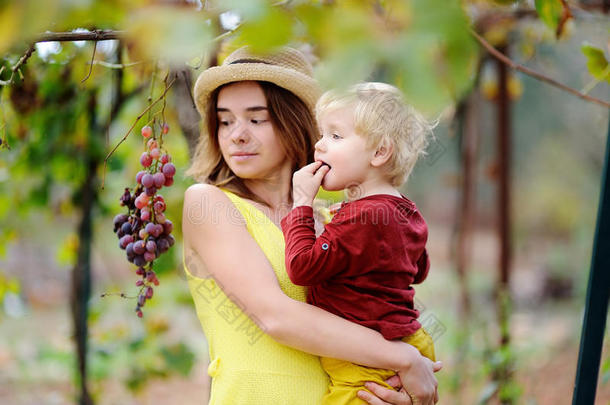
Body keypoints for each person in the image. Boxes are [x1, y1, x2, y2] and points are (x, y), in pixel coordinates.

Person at [181, 46, 441, 405]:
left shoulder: (329, 217)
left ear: (294, 120)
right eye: (225, 120)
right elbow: (277, 318)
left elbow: (381, 300)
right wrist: (405, 359)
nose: (236, 135)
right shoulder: (209, 204)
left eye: (256, 119)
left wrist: (395, 387)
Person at [281, 82, 436, 405]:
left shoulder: (364, 217)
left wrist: (301, 206)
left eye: (335, 136)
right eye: (322, 134)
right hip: (404, 342)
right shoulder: (405, 210)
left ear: (380, 152)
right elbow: (418, 269)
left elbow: (301, 267)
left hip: (365, 367)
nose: (319, 146)